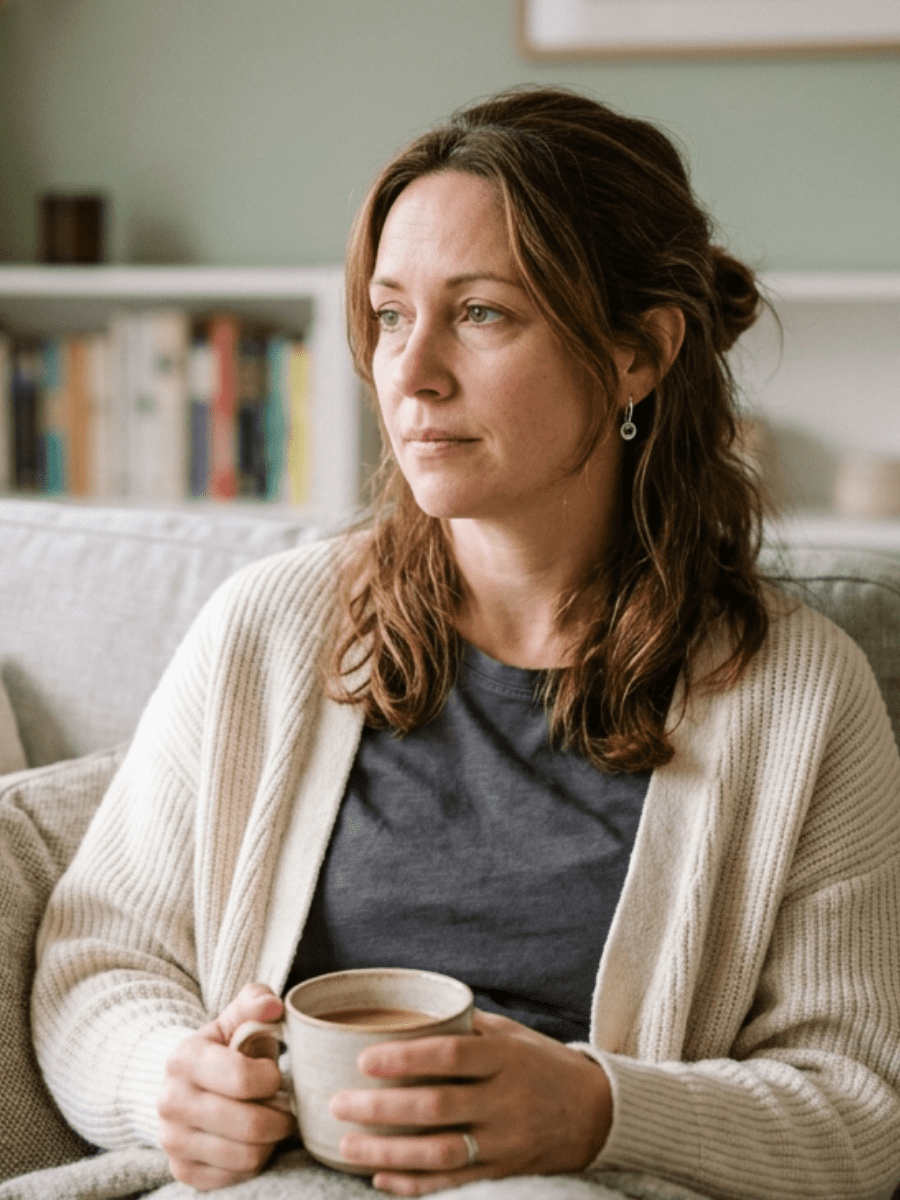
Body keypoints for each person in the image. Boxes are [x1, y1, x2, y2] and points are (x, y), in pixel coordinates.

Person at [33, 86, 900, 1200]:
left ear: (640, 352)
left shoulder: (797, 696)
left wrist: (597, 1111)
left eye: (481, 313)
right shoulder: (272, 628)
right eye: (392, 315)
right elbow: (98, 953)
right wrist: (170, 1081)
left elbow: (864, 1104)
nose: (412, 370)